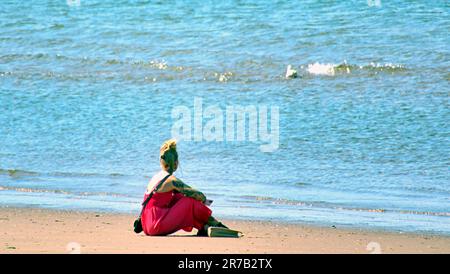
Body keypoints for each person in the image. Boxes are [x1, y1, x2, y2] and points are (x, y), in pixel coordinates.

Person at [141, 139, 228, 236]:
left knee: (179, 197)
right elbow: (197, 194)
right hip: (156, 226)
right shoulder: (171, 180)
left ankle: (203, 227)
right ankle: (216, 224)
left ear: (161, 162)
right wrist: (203, 199)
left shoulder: (156, 177)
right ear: (175, 163)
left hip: (147, 225)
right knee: (189, 201)